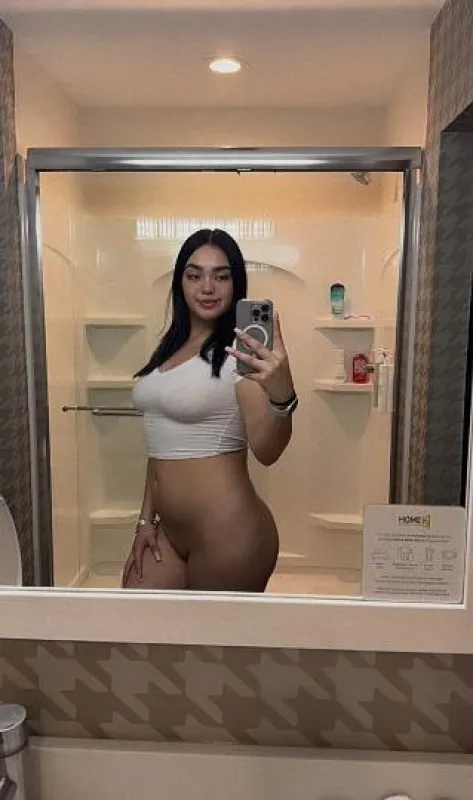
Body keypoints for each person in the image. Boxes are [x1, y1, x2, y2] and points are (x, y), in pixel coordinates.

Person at [121, 228, 298, 592]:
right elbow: (159, 448)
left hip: (228, 532)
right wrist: (145, 521)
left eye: (221, 276)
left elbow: (268, 451)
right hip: (168, 532)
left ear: (236, 284)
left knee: (213, 633)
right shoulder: (169, 347)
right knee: (140, 621)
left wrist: (282, 395)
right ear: (180, 282)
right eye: (194, 275)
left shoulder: (241, 351)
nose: (207, 287)